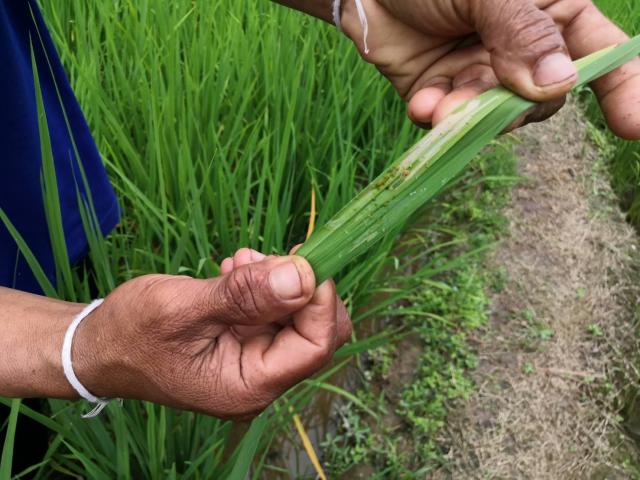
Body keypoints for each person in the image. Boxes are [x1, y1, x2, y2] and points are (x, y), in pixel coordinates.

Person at [1, 0, 639, 420]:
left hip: (42, 173)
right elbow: (85, 346)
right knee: (27, 430)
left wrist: (360, 4)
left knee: (68, 260)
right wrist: (81, 348)